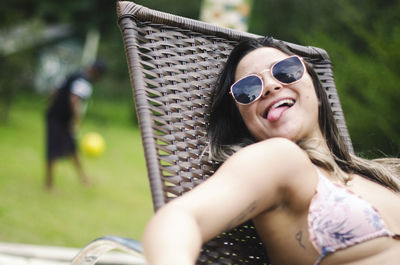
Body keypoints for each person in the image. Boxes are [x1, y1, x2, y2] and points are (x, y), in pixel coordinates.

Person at [142, 37, 400, 265]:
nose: (269, 86)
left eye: (286, 71)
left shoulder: (382, 173)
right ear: (243, 120)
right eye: (248, 89)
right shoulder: (279, 159)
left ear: (317, 92)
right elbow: (181, 218)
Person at [45, 60, 106, 190]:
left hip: (56, 115)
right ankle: (49, 184)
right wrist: (76, 121)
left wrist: (52, 103)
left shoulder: (74, 74)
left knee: (73, 148)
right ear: (97, 72)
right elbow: (74, 100)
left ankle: (84, 178)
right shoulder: (85, 81)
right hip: (59, 118)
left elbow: (55, 91)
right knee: (53, 149)